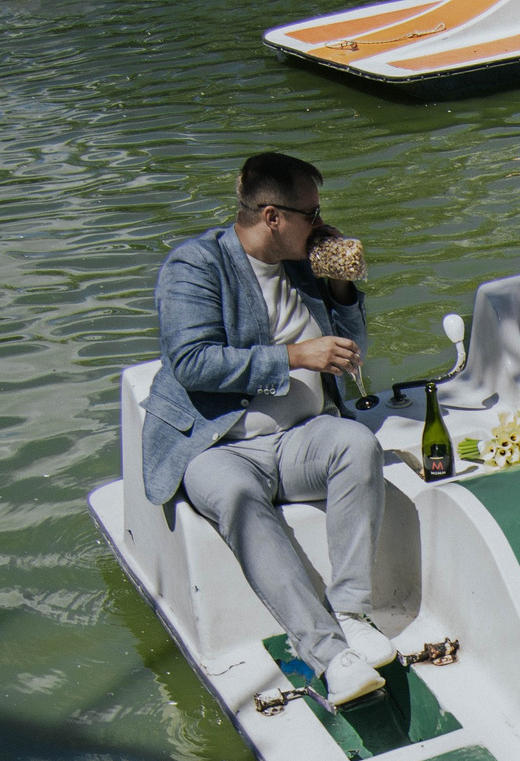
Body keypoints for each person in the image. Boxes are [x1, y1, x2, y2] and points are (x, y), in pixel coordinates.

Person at [144, 152, 393, 707]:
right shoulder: (195, 266)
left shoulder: (306, 262)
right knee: (234, 494)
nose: (321, 222)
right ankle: (327, 654)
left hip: (302, 438)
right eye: (311, 212)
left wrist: (343, 288)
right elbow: (191, 361)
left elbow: (356, 351)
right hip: (217, 443)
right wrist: (295, 356)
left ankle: (351, 613)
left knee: (357, 444)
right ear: (273, 216)